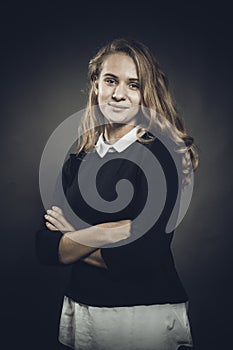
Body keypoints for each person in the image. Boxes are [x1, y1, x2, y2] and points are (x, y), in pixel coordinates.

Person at [36, 37, 199, 350]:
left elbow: (142, 256)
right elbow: (44, 247)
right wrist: (105, 232)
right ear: (96, 84)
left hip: (140, 315)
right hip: (82, 310)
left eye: (133, 84)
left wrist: (74, 235)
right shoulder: (78, 158)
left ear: (145, 93)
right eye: (111, 80)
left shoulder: (161, 156)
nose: (119, 94)